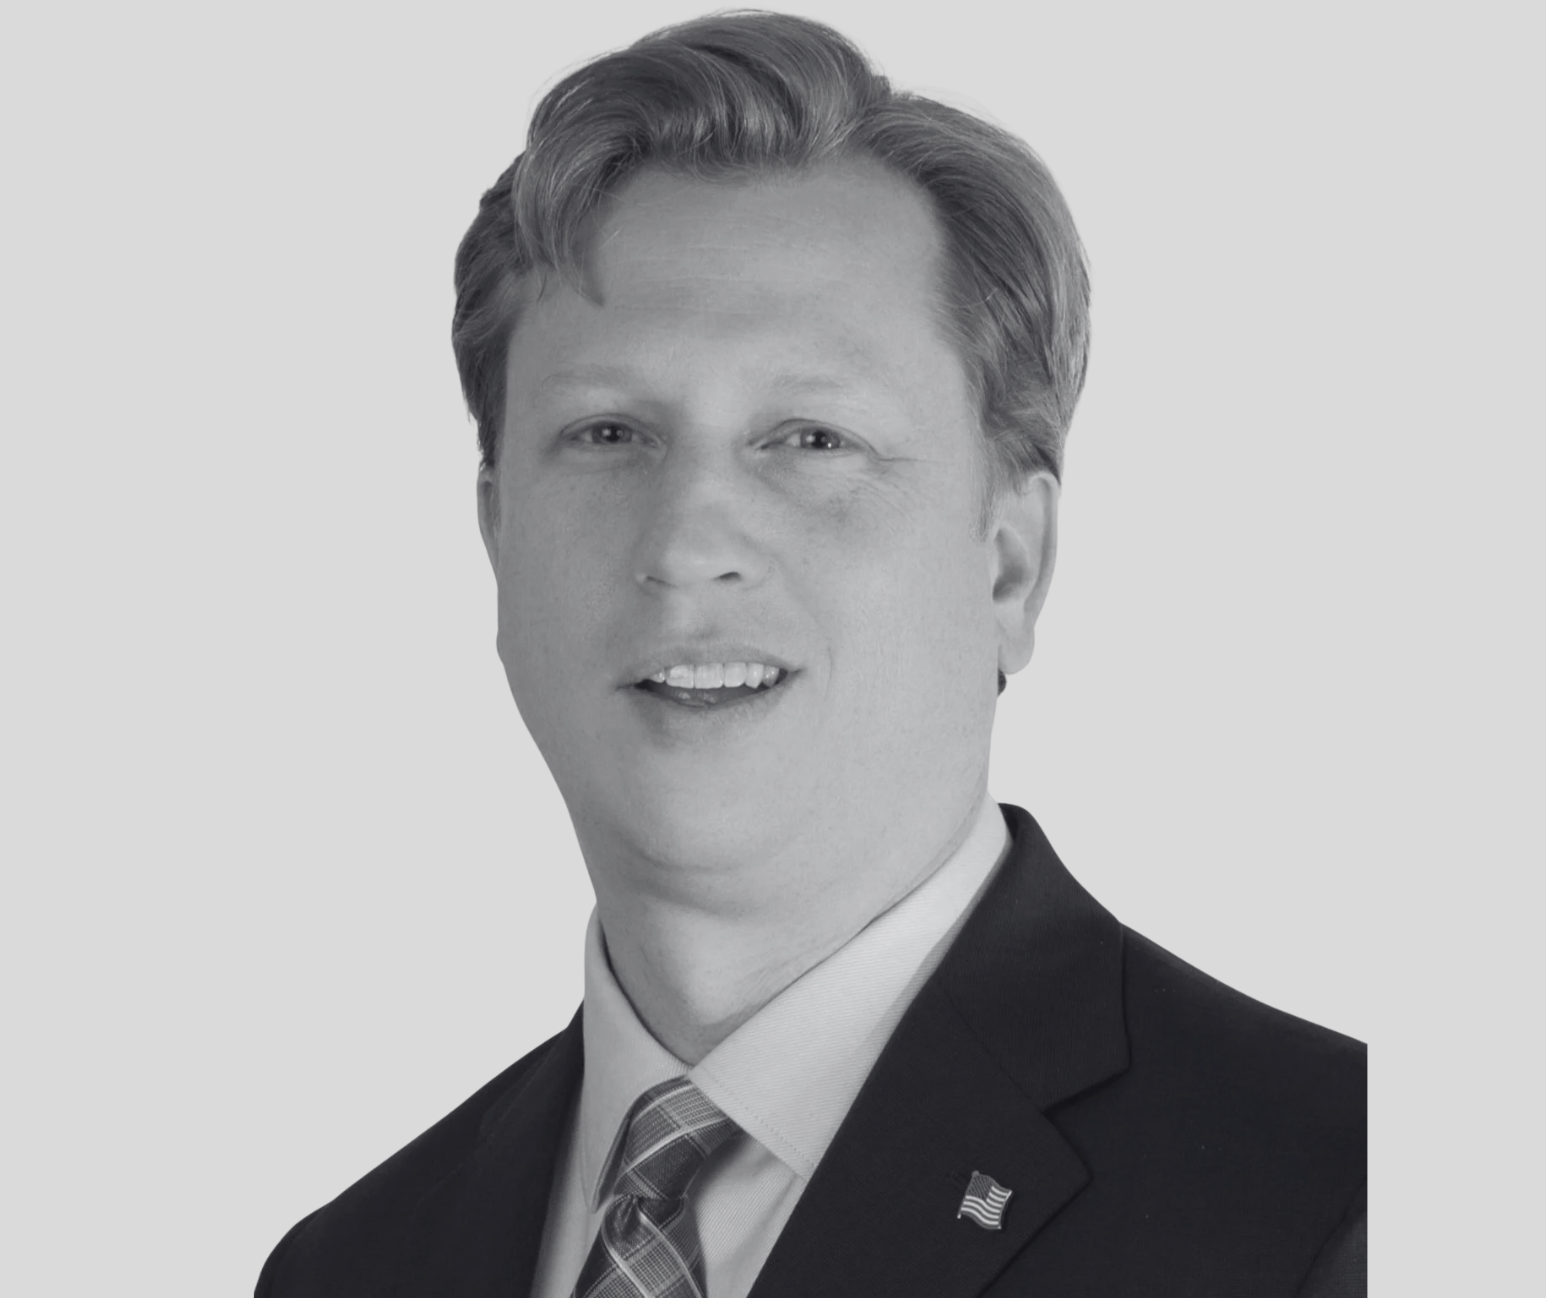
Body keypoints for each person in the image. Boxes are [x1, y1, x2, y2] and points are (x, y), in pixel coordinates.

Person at [256, 11, 1365, 1297]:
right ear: (497, 533)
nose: (687, 543)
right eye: (608, 434)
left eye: (811, 439)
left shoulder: (1354, 1207)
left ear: (1008, 562)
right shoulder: (354, 1264)